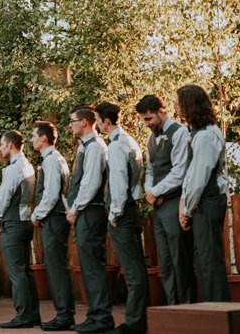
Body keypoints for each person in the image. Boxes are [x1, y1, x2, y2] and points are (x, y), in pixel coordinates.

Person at [94, 102, 149, 334]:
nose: (96, 124)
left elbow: (118, 181)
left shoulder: (116, 146)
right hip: (132, 209)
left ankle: (134, 323)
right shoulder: (129, 141)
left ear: (107, 121)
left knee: (134, 272)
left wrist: (114, 214)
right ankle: (139, 321)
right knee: (137, 270)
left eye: (97, 120)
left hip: (123, 211)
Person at [135, 94, 195, 304]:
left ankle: (187, 307)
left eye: (149, 119)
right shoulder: (151, 138)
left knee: (180, 258)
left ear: (161, 111)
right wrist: (150, 191)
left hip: (175, 201)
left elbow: (180, 171)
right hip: (158, 205)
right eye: (144, 120)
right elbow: (150, 169)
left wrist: (156, 191)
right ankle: (172, 305)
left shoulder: (180, 133)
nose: (147, 124)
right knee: (165, 260)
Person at [176, 84, 230, 302]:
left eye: (178, 102)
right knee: (204, 258)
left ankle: (218, 312)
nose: (176, 106)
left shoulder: (206, 136)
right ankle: (212, 310)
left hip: (208, 201)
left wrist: (187, 209)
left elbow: (199, 176)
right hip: (203, 202)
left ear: (189, 105)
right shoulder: (198, 134)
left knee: (209, 260)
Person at [66, 104, 114, 333]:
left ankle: (102, 317)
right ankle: (94, 314)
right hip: (85, 211)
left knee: (93, 266)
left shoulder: (95, 147)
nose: (70, 125)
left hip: (91, 211)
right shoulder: (84, 146)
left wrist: (74, 208)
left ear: (84, 122)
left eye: (72, 120)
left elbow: (91, 182)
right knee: (87, 266)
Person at [0, 130, 40, 329]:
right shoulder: (27, 165)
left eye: (2, 145)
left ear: (10, 145)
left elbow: (4, 196)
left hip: (13, 222)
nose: (1, 149)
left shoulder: (13, 168)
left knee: (16, 272)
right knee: (25, 271)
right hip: (25, 220)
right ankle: (32, 314)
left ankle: (23, 315)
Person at [30, 121, 76, 332]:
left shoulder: (51, 161)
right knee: (56, 265)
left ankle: (64, 315)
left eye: (34, 136)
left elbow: (51, 193)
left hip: (54, 217)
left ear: (44, 138)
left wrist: (37, 214)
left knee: (57, 267)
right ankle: (63, 313)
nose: (31, 139)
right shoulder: (53, 159)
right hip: (55, 216)